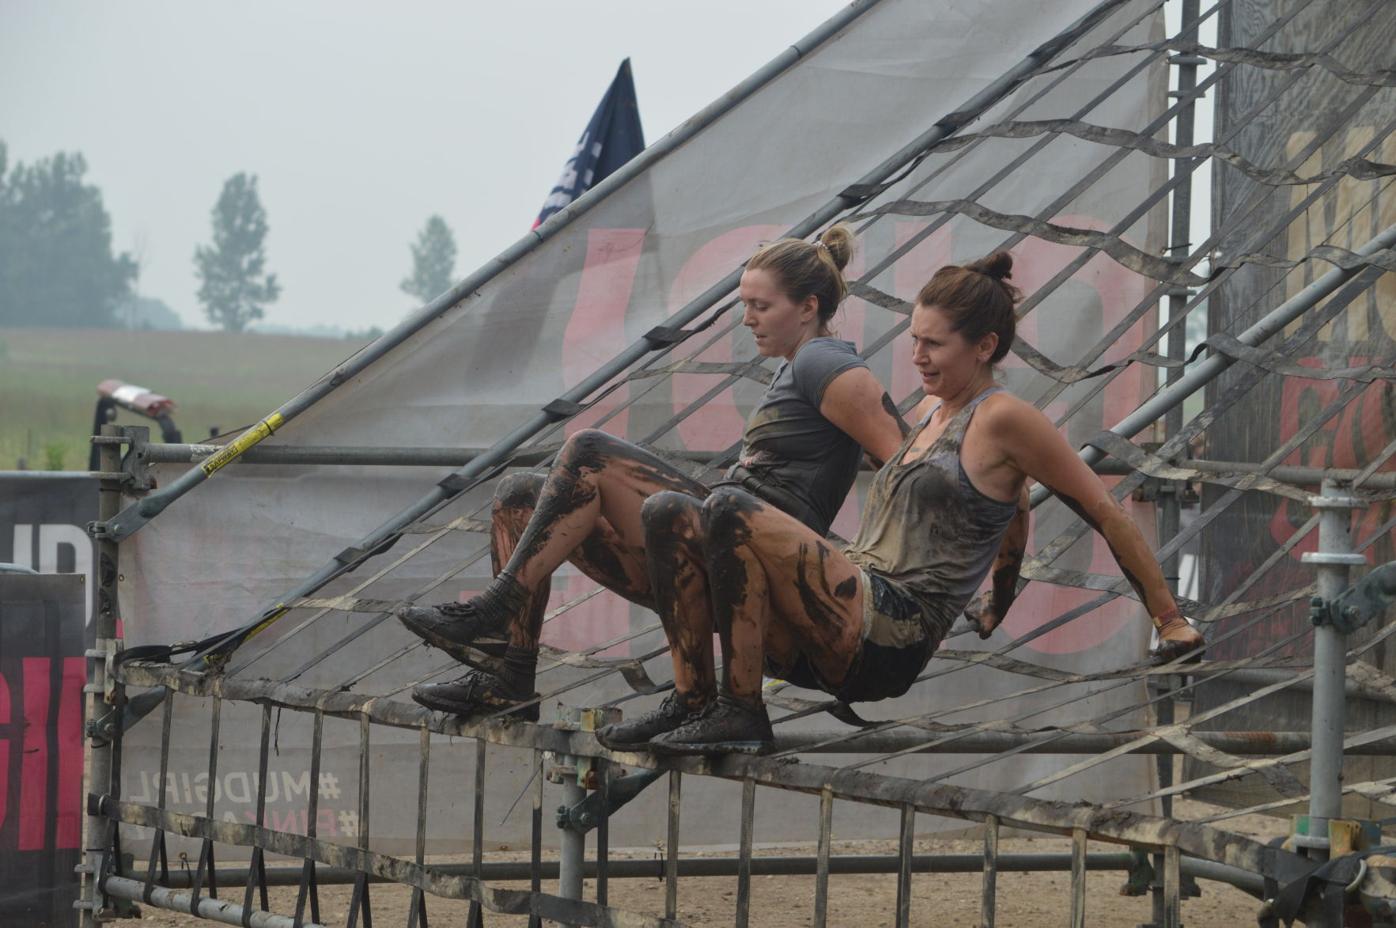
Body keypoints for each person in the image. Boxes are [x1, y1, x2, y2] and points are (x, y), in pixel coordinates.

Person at [594, 251, 1204, 755]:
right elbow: (1012, 508)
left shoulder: (1008, 418)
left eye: (933, 345)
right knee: (672, 513)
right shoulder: (933, 417)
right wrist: (1001, 593)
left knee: (727, 507)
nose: (917, 358)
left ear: (985, 346)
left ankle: (742, 710)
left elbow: (1104, 511)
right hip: (848, 609)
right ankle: (694, 697)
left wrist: (1168, 619)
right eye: (914, 340)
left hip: (892, 631)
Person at [396, 225, 921, 718]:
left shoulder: (823, 363)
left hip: (746, 557)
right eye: (745, 305)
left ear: (808, 307)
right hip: (704, 546)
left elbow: (906, 464)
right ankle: (509, 675)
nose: (748, 319)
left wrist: (868, 562)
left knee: (588, 451)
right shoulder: (799, 367)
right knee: (519, 496)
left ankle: (496, 605)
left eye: (760, 306)